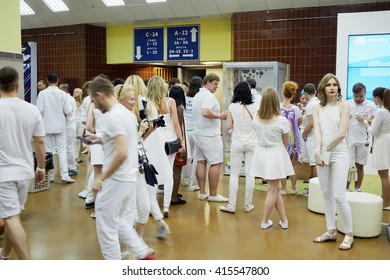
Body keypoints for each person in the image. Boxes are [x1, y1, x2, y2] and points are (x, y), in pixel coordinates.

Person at [86, 75, 154, 260]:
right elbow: (125, 140)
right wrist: (100, 138)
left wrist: (100, 178)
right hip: (128, 178)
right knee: (117, 220)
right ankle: (143, 253)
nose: (94, 105)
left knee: (106, 227)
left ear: (99, 95)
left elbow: (122, 152)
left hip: (117, 179)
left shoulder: (113, 116)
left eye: (93, 100)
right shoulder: (126, 115)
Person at [0, 66, 46, 260]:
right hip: (25, 171)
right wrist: (41, 167)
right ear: (17, 86)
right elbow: (40, 142)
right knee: (14, 216)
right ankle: (4, 254)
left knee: (11, 217)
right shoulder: (32, 109)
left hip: (3, 173)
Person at [124, 76, 171, 239]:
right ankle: (159, 220)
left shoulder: (136, 107)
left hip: (142, 148)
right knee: (149, 189)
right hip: (149, 147)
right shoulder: (146, 104)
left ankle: (155, 223)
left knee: (146, 192)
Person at [312, 73, 353, 250]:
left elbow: (341, 133)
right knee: (326, 193)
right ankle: (331, 230)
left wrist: (324, 150)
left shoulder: (344, 106)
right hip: (323, 152)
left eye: (334, 84)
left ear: (338, 88)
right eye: (328, 84)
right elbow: (317, 132)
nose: (332, 87)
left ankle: (349, 234)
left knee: (339, 195)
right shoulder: (317, 108)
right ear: (323, 87)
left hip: (340, 153)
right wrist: (318, 152)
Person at [249, 87, 293, 229]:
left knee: (275, 188)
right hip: (276, 154)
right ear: (275, 102)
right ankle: (264, 221)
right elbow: (286, 143)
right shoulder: (282, 121)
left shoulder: (255, 118)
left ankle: (284, 220)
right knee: (273, 189)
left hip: (261, 153)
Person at [145, 76, 185, 217]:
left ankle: (152, 206)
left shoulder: (147, 103)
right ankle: (166, 206)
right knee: (169, 172)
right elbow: (175, 123)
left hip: (152, 140)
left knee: (153, 172)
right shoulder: (170, 101)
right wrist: (181, 141)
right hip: (169, 140)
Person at [219, 81, 257, 213]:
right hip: (252, 143)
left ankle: (231, 205)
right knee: (250, 174)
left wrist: (233, 133)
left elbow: (229, 126)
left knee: (234, 174)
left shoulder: (232, 107)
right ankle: (248, 205)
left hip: (237, 143)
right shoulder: (255, 107)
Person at [193, 73, 228, 202]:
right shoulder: (208, 96)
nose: (216, 87)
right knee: (216, 163)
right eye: (215, 84)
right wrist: (220, 116)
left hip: (199, 134)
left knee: (201, 162)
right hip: (209, 135)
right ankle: (213, 194)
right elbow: (205, 112)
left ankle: (202, 192)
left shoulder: (198, 95)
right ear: (208, 82)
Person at [36, 72, 74, 183]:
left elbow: (39, 111)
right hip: (60, 125)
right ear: (58, 80)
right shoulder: (63, 94)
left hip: (46, 125)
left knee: (48, 151)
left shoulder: (42, 94)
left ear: (47, 81)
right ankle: (65, 175)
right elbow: (68, 110)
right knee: (62, 150)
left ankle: (50, 175)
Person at [345, 82, 377, 192]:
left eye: (361, 96)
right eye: (355, 96)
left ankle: (357, 188)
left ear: (365, 93)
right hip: (350, 139)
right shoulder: (347, 104)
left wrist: (366, 119)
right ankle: (346, 188)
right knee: (348, 165)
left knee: (360, 166)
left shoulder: (371, 105)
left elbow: (375, 121)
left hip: (364, 140)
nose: (358, 99)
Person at [365, 87, 390, 210]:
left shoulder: (381, 111)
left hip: (382, 142)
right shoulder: (387, 111)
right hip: (387, 140)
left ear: (378, 98)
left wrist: (366, 122)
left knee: (383, 174)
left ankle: (386, 202)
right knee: (385, 173)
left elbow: (373, 131)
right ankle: (385, 198)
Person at [280, 81, 302, 195]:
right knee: (294, 164)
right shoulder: (296, 109)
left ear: (283, 93)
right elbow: (299, 123)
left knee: (283, 164)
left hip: (281, 139)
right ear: (293, 94)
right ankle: (293, 188)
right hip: (294, 139)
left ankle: (283, 189)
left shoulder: (278, 107)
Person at [181, 76, 202, 192]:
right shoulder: (199, 99)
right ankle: (194, 184)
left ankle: (185, 180)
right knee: (196, 158)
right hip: (197, 131)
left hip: (186, 131)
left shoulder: (184, 97)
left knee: (186, 158)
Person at [169, 85, 188, 205]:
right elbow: (179, 126)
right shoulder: (179, 108)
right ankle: (174, 196)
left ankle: (171, 192)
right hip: (177, 142)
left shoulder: (167, 106)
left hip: (169, 141)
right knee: (177, 170)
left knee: (169, 170)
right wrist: (182, 143)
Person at [301, 83, 320, 189]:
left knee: (315, 163)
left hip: (313, 138)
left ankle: (317, 188)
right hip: (321, 137)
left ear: (306, 94)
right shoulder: (320, 102)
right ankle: (313, 188)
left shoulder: (310, 105)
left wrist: (304, 134)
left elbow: (310, 123)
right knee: (318, 163)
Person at [59, 83, 78, 176]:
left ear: (64, 90)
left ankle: (72, 167)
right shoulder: (70, 98)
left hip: (69, 126)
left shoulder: (67, 98)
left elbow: (68, 112)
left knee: (68, 147)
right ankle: (74, 164)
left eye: (60, 89)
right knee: (70, 147)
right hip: (70, 126)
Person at [73, 87, 84, 163]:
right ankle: (72, 157)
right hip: (73, 121)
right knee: (73, 139)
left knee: (78, 139)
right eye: (74, 91)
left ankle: (76, 156)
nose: (74, 93)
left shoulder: (83, 102)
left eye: (76, 92)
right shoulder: (71, 101)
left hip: (81, 122)